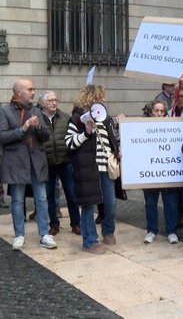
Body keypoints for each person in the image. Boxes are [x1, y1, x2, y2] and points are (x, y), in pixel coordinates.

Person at [0, 79, 56, 251]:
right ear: (18, 93)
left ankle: (44, 234)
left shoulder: (36, 110)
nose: (33, 92)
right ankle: (19, 235)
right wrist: (22, 129)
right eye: (30, 89)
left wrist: (38, 128)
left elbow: (47, 136)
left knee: (42, 199)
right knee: (17, 200)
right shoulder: (4, 110)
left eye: (34, 89)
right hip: (16, 162)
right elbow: (1, 137)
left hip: (36, 162)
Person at [65, 84, 119, 251]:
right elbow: (69, 143)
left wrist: (117, 151)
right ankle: (90, 241)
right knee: (89, 204)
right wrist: (86, 133)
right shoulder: (77, 119)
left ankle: (108, 230)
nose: (104, 100)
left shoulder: (106, 119)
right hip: (87, 169)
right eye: (101, 97)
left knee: (110, 202)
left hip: (105, 168)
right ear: (92, 98)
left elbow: (110, 142)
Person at [39, 90, 81, 236]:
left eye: (55, 100)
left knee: (71, 193)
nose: (54, 103)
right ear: (42, 103)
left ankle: (76, 223)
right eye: (50, 100)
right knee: (49, 195)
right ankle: (54, 224)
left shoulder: (64, 117)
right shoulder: (37, 118)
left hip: (65, 160)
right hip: (47, 162)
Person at [141, 100, 181, 244]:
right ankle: (151, 231)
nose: (159, 113)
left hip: (167, 173)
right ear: (151, 112)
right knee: (150, 203)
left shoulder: (172, 126)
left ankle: (171, 231)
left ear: (165, 113)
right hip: (150, 174)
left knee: (170, 204)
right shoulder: (141, 128)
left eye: (162, 111)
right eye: (156, 111)